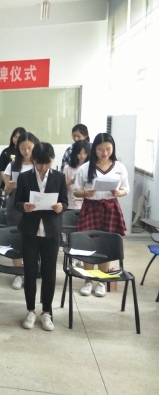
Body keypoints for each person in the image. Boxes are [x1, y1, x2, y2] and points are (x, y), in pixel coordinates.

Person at [14, 143, 68, 331]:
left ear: (52, 160)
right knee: (29, 271)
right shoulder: (24, 177)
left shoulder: (59, 177)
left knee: (49, 272)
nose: (43, 167)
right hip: (30, 230)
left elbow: (64, 201)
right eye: (39, 163)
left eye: (47, 163)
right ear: (33, 160)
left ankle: (46, 311)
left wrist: (61, 207)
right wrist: (24, 206)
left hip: (51, 231)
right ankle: (30, 310)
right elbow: (17, 202)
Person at [73, 132, 129, 298]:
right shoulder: (85, 168)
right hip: (90, 208)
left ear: (113, 149)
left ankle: (102, 282)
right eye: (100, 149)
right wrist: (86, 193)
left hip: (110, 208)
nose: (104, 153)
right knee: (88, 245)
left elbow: (126, 189)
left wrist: (118, 192)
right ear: (94, 149)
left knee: (106, 245)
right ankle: (88, 281)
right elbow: (76, 191)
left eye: (108, 149)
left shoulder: (119, 167)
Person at [2, 132, 39, 290]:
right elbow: (6, 191)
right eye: (23, 148)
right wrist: (9, 186)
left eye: (30, 148)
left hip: (35, 204)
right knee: (16, 239)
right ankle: (18, 273)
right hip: (16, 204)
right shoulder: (13, 165)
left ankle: (30, 271)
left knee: (33, 239)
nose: (26, 151)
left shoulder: (39, 163)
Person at [63, 140, 91, 210]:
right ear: (75, 153)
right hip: (70, 204)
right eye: (79, 153)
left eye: (85, 153)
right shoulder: (67, 168)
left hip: (86, 205)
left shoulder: (90, 168)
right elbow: (61, 188)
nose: (82, 156)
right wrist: (70, 182)